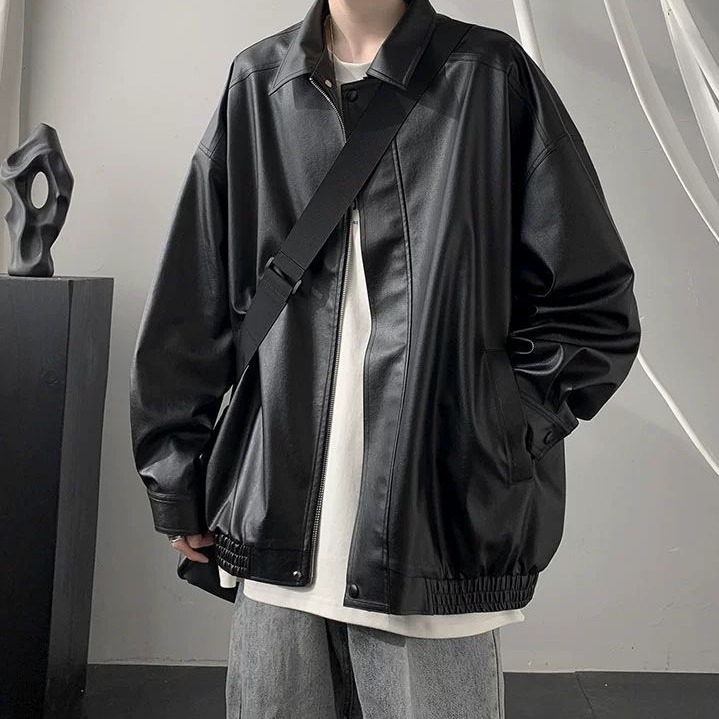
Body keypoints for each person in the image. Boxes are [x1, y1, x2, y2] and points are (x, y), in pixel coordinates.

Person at [128, 1, 641, 717]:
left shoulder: (490, 77)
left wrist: (492, 433)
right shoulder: (260, 85)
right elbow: (192, 302)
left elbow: (592, 305)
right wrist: (176, 477)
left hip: (435, 533)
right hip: (273, 522)